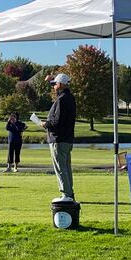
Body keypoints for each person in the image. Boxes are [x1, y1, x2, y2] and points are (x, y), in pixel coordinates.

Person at [41, 73, 77, 203]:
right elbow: (57, 87)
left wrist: (46, 124)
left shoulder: (62, 100)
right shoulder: (69, 97)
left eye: (55, 84)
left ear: (60, 85)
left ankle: (66, 194)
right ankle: (69, 193)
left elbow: (57, 121)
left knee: (61, 168)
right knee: (66, 168)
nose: (54, 86)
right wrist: (51, 80)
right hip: (67, 139)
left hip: (59, 139)